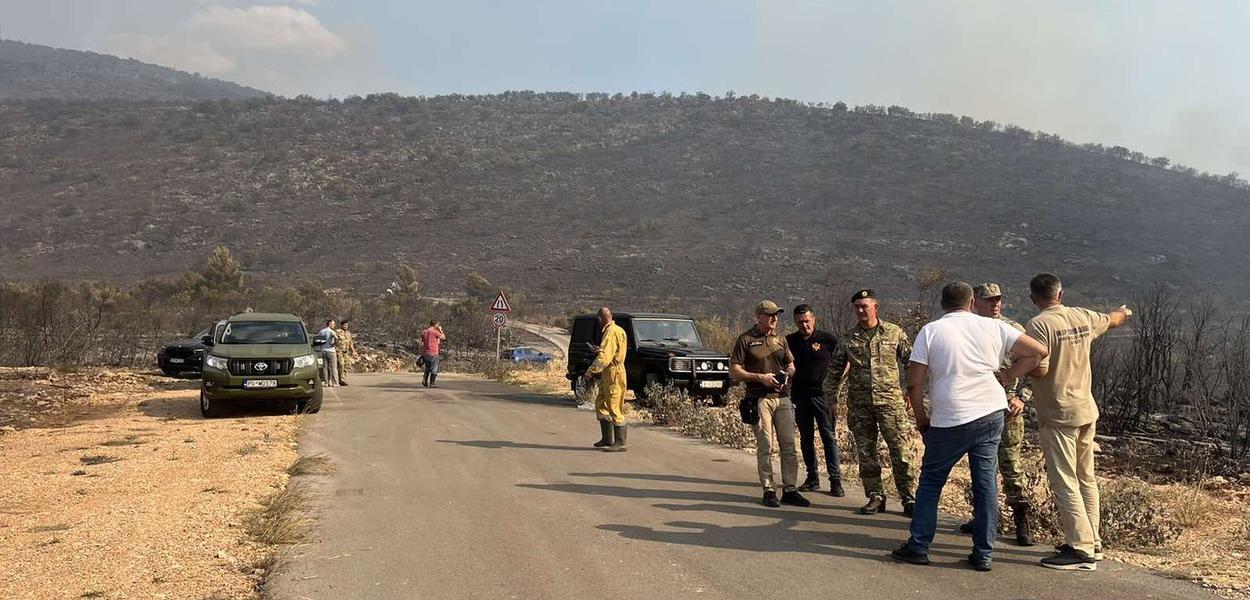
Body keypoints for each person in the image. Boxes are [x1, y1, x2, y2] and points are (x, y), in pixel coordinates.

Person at [890, 282, 1048, 571]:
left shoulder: (931, 331)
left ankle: (919, 546)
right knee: (985, 483)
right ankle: (983, 553)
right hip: (990, 412)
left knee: (931, 482)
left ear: (942, 304)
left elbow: (915, 381)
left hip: (951, 417)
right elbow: (1038, 351)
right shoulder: (993, 327)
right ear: (972, 302)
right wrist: (1008, 375)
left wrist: (922, 418)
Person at [1025, 273, 1131, 571]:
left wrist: (1016, 367)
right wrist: (1124, 312)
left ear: (1034, 299)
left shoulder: (1039, 325)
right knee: (1086, 476)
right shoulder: (1082, 316)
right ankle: (1093, 541)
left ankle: (1080, 548)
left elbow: (1041, 368)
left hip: (1059, 412)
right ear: (1060, 294)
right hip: (1086, 408)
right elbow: (1112, 320)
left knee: (1064, 479)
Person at [957, 283, 1036, 545]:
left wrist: (1021, 397)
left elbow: (1036, 366)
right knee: (981, 467)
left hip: (1006, 410)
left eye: (998, 300)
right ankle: (984, 517)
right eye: (989, 300)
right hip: (976, 409)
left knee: (1011, 465)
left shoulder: (1013, 330)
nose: (995, 305)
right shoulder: (966, 330)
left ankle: (1021, 521)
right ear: (974, 303)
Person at [826, 289, 917, 516]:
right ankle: (875, 496)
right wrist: (831, 400)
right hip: (860, 405)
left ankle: (909, 498)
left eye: (864, 306)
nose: (860, 311)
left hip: (890, 403)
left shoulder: (894, 333)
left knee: (901, 452)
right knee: (866, 454)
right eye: (857, 307)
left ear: (875, 308)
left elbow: (913, 363)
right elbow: (834, 372)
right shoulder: (848, 338)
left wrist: (912, 392)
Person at [729, 301, 810, 508]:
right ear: (759, 316)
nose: (774, 319)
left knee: (789, 445)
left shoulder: (780, 338)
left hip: (782, 397)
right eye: (770, 315)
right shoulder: (746, 339)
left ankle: (790, 489)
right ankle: (769, 489)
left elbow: (791, 365)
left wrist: (786, 375)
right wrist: (759, 377)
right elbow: (735, 370)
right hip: (759, 398)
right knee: (766, 445)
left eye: (777, 315)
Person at [785, 304, 845, 496]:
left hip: (824, 396)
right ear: (795, 322)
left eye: (807, 321)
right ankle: (812, 478)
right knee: (806, 438)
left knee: (828, 437)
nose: (804, 325)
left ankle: (835, 480)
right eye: (800, 322)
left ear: (814, 319)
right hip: (800, 395)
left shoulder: (827, 339)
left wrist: (836, 381)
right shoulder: (790, 341)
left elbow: (847, 360)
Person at [584, 307, 629, 452]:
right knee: (601, 403)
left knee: (615, 406)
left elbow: (605, 357)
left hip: (613, 372)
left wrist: (591, 371)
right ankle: (607, 438)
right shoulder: (618, 330)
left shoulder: (610, 332)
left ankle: (620, 442)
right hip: (609, 372)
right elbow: (611, 351)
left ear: (599, 319)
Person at [420, 320, 446, 388]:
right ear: (436, 325)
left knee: (427, 368)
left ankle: (424, 380)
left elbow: (421, 343)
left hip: (425, 353)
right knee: (434, 368)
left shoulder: (424, 332)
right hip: (433, 352)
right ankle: (432, 383)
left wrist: (421, 352)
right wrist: (440, 330)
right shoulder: (435, 332)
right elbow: (443, 337)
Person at [335, 319, 357, 387]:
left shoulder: (348, 333)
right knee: (341, 364)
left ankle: (343, 378)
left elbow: (350, 343)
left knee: (346, 365)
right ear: (342, 325)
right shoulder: (337, 332)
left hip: (346, 352)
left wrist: (353, 351)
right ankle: (341, 380)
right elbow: (333, 341)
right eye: (344, 325)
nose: (346, 326)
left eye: (347, 325)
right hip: (339, 351)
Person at [318, 319, 339, 387]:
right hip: (331, 351)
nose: (334, 325)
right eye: (333, 324)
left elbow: (317, 339)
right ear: (329, 324)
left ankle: (325, 382)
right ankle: (335, 382)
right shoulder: (331, 331)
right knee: (333, 367)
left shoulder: (322, 331)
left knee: (325, 367)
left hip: (323, 350)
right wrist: (334, 344)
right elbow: (336, 338)